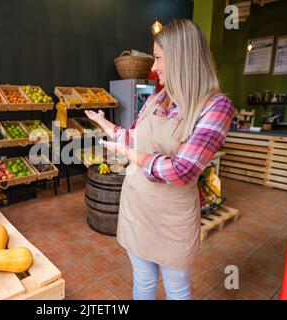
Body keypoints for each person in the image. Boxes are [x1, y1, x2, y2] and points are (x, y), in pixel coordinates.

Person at [85, 19, 234, 300]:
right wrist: (106, 125)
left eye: (158, 58)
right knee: (143, 280)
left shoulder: (216, 106)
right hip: (136, 208)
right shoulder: (157, 98)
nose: (153, 68)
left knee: (177, 290)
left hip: (172, 218)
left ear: (181, 58)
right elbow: (136, 138)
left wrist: (131, 155)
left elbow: (182, 170)